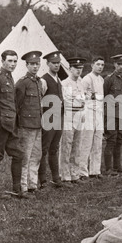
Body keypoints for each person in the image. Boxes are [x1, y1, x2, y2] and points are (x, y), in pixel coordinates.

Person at [0, 50, 22, 199]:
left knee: (19, 155)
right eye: (10, 61)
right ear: (2, 61)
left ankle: (17, 189)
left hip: (11, 124)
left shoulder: (9, 77)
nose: (13, 64)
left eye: (15, 61)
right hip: (1, 124)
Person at [38, 51, 70, 188]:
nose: (56, 65)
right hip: (48, 117)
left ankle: (56, 178)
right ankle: (43, 180)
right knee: (44, 148)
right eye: (54, 63)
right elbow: (39, 100)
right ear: (47, 64)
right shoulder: (44, 80)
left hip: (58, 116)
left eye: (58, 63)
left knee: (54, 148)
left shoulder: (58, 79)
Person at [15, 51, 44, 199]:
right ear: (26, 65)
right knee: (25, 157)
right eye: (32, 64)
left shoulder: (39, 81)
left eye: (37, 64)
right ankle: (23, 187)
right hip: (26, 125)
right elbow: (17, 105)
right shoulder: (23, 82)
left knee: (36, 156)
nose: (35, 66)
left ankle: (33, 185)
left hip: (38, 124)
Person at [60, 57, 88, 184]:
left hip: (79, 114)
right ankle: (65, 175)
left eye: (81, 68)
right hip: (69, 114)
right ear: (70, 69)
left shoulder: (81, 83)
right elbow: (66, 101)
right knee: (67, 145)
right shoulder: (65, 83)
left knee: (77, 145)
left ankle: (75, 174)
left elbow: (83, 100)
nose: (79, 70)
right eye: (76, 68)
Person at [80, 56, 105, 178]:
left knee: (98, 141)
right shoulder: (86, 79)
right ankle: (82, 171)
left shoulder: (101, 79)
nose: (100, 67)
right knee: (86, 142)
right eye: (98, 64)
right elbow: (81, 97)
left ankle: (95, 170)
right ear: (92, 65)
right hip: (89, 111)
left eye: (102, 65)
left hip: (99, 110)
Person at [103, 54, 122, 176]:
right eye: (119, 64)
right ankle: (108, 168)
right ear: (114, 65)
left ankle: (118, 166)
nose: (121, 66)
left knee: (120, 139)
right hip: (111, 114)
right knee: (111, 140)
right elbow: (105, 97)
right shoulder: (109, 79)